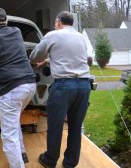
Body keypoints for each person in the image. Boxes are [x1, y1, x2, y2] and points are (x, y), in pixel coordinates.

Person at [29, 11, 91, 168]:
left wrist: (41, 61)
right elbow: (80, 58)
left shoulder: (52, 35)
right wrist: (48, 61)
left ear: (58, 22)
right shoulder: (81, 37)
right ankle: (70, 163)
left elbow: (34, 57)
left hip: (63, 86)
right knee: (76, 126)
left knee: (56, 125)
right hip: (84, 86)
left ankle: (50, 160)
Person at [0, 6, 37, 168]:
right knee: (14, 119)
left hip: (13, 90)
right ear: (7, 21)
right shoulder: (16, 32)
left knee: (8, 135)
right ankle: (22, 152)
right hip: (30, 85)